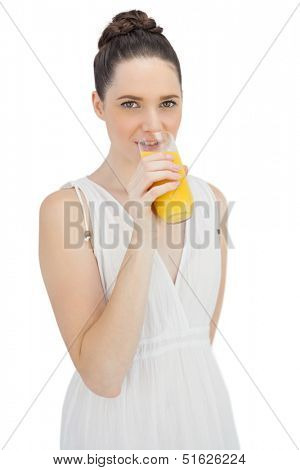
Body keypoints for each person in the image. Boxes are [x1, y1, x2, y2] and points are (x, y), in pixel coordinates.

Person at [39, 9, 240, 450]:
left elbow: (193, 351)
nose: (153, 125)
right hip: (112, 436)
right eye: (130, 104)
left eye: (167, 103)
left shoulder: (213, 203)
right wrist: (141, 226)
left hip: (203, 427)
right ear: (98, 105)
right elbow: (104, 376)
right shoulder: (67, 210)